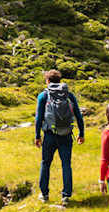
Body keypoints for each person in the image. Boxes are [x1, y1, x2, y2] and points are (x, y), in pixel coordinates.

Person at [34, 69, 84, 204]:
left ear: (47, 81)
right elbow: (78, 115)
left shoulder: (43, 96)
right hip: (66, 135)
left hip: (50, 135)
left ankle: (44, 194)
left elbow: (38, 118)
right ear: (59, 81)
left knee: (45, 163)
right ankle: (66, 196)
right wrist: (81, 133)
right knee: (66, 164)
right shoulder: (69, 95)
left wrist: (37, 136)